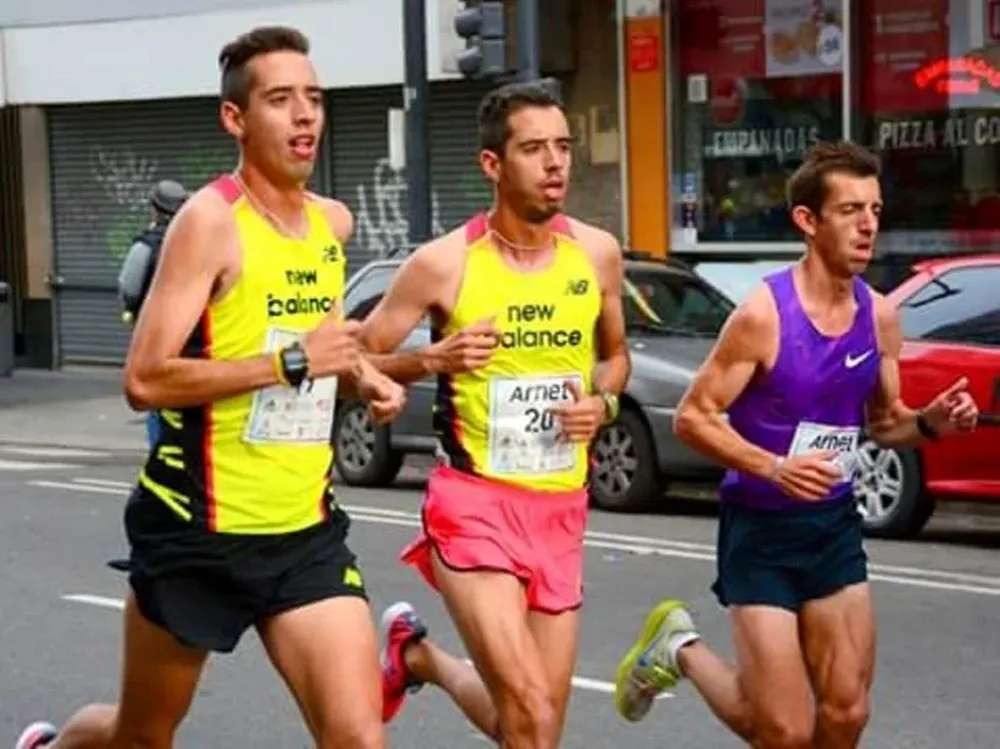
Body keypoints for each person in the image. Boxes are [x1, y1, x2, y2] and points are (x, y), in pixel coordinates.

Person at [15, 25, 404, 749]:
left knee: (359, 738)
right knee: (143, 735)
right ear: (236, 118)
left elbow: (316, 342)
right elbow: (144, 377)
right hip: (197, 531)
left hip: (303, 533)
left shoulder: (331, 225)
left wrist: (363, 373)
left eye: (314, 98)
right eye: (282, 99)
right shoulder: (209, 222)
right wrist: (291, 363)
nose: (306, 115)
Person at [612, 141, 980, 749]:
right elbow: (694, 417)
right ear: (808, 222)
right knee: (782, 730)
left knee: (846, 715)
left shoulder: (880, 316)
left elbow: (887, 424)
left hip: (832, 528)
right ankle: (678, 648)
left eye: (876, 210)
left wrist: (934, 422)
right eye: (850, 210)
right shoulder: (764, 316)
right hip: (760, 532)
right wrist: (774, 467)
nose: (868, 226)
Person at [355, 79, 631, 749]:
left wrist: (606, 401)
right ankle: (418, 656)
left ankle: (419, 658)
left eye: (562, 146)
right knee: (530, 708)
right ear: (492, 164)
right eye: (534, 148)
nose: (556, 162)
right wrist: (432, 360)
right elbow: (353, 358)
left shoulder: (596, 254)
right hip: (474, 503)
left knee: (533, 727)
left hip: (561, 505)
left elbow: (616, 356)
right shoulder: (444, 264)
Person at [117, 179, 189, 449]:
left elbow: (129, 286)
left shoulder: (146, 246)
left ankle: (161, 450)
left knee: (156, 392)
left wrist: (133, 311)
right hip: (198, 332)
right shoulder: (199, 240)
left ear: (155, 210)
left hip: (157, 333)